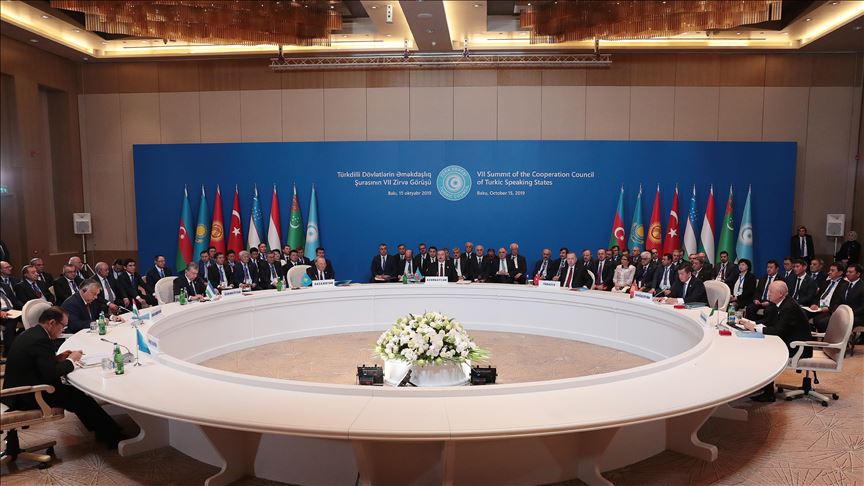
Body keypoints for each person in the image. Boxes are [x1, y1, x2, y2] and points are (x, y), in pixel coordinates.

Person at [1, 306, 125, 447]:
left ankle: (103, 431)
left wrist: (59, 358)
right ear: (52, 323)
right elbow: (52, 373)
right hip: (26, 395)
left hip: (20, 388)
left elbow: (39, 363)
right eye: (63, 326)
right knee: (78, 397)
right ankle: (113, 437)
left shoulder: (33, 333)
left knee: (76, 394)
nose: (63, 330)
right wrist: (71, 360)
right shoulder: (40, 340)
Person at [740, 281, 812, 402]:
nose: (768, 294)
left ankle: (768, 393)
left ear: (780, 294)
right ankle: (762, 386)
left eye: (770, 291)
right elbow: (770, 322)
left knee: (765, 353)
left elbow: (778, 331)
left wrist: (755, 328)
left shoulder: (789, 307)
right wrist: (750, 323)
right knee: (760, 348)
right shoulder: (780, 303)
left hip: (798, 347)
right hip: (788, 341)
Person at [810, 262, 847, 332]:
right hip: (818, 308)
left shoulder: (844, 285)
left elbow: (841, 302)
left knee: (819, 321)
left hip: (830, 309)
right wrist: (814, 304)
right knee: (802, 314)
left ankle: (825, 337)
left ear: (840, 273)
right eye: (829, 270)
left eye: (832, 270)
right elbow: (816, 297)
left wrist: (829, 308)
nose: (829, 272)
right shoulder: (825, 282)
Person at [0, 262, 23, 357]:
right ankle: (8, 351)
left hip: (12, 310)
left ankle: (19, 343)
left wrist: (25, 307)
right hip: (2, 312)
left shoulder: (4, 285)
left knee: (30, 317)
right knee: (11, 321)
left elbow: (14, 301)